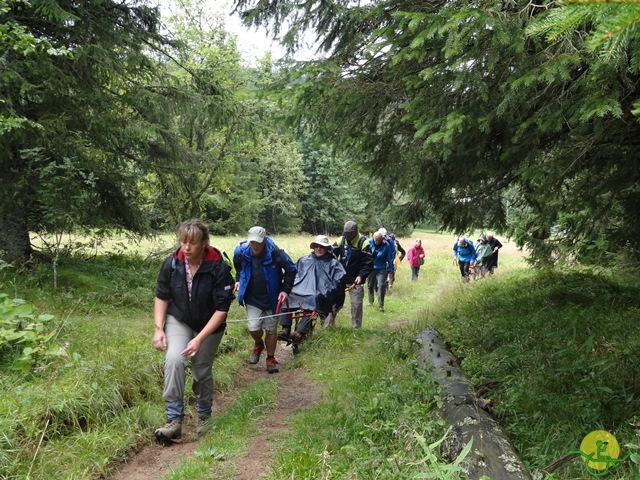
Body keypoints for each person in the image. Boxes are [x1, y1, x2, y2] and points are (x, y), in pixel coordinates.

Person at [153, 219, 236, 441]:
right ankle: (174, 421)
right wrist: (158, 329)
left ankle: (204, 418)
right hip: (179, 319)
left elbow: (222, 309)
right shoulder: (172, 264)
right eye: (183, 242)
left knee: (201, 368)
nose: (186, 248)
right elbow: (162, 296)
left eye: (192, 243)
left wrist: (199, 339)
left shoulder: (218, 266)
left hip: (210, 325)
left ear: (204, 243)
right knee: (174, 360)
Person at [233, 226, 297, 374]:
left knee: (271, 329)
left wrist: (285, 290)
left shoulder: (276, 253)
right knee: (253, 327)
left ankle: (270, 358)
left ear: (265, 240)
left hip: (272, 298)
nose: (255, 246)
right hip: (252, 297)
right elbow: (238, 267)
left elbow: (291, 270)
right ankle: (258, 343)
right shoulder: (240, 252)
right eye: (252, 242)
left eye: (258, 242)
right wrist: (238, 280)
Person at [280, 235, 346, 344]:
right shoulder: (304, 260)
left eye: (322, 246)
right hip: (299, 289)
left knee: (314, 299)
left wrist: (326, 291)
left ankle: (300, 332)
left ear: (327, 248)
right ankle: (285, 328)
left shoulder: (333, 264)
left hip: (319, 293)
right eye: (316, 246)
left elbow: (338, 281)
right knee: (287, 296)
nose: (319, 249)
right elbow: (292, 273)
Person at [332, 220, 373, 328]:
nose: (347, 236)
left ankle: (356, 329)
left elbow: (368, 263)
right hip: (340, 278)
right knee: (333, 303)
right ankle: (329, 327)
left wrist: (361, 276)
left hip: (356, 279)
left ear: (355, 232)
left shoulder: (364, 243)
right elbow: (331, 256)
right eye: (346, 234)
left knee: (356, 305)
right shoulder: (341, 240)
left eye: (349, 234)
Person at [367, 230, 395, 312]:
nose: (377, 242)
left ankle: (381, 306)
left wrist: (391, 270)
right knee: (370, 285)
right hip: (371, 267)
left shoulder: (386, 245)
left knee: (381, 286)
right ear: (373, 238)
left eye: (379, 240)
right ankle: (370, 301)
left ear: (382, 239)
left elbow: (389, 258)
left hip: (381, 267)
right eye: (376, 240)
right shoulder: (368, 243)